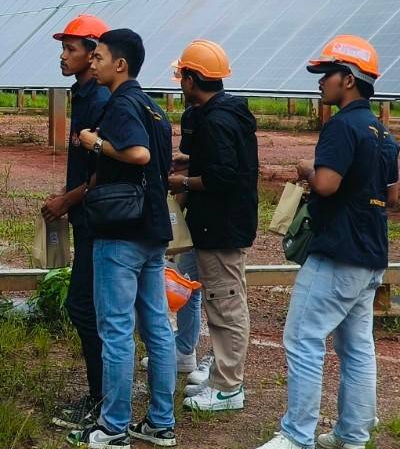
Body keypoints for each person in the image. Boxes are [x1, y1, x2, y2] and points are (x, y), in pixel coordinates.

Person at [257, 35, 399, 449]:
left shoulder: (341, 126)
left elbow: (327, 184)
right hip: (371, 254)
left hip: (336, 253)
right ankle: (352, 436)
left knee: (302, 339)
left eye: (326, 75)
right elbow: (393, 197)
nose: (319, 82)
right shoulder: (383, 133)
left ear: (349, 79)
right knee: (357, 348)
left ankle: (296, 435)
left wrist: (307, 168)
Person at [71, 28, 176, 449]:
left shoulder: (121, 105)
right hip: (152, 230)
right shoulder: (154, 108)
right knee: (156, 328)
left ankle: (113, 427)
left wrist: (96, 144)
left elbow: (139, 155)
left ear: (120, 65)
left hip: (120, 234)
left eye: (98, 57)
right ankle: (160, 423)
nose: (91, 62)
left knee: (114, 329)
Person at [166, 39, 258, 413]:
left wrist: (183, 182)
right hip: (216, 226)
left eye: (182, 76)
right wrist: (190, 160)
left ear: (191, 80)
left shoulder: (217, 121)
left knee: (226, 305)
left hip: (221, 228)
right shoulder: (222, 114)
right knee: (216, 296)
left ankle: (228, 387)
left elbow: (223, 177)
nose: (180, 83)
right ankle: (218, 372)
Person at [41, 13, 112, 430]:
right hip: (87, 218)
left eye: (71, 49)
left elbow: (107, 171)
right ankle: (100, 396)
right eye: (63, 49)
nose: (63, 56)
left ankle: (103, 401)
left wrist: (67, 200)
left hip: (98, 219)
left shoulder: (100, 100)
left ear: (93, 53)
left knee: (86, 307)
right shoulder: (83, 95)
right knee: (87, 306)